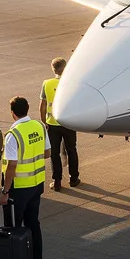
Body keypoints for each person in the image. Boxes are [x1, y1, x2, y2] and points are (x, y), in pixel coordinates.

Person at [0, 96, 49, 259]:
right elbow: (48, 153)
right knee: (33, 225)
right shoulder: (39, 126)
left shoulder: (13, 135)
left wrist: (5, 192)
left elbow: (11, 166)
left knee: (13, 229)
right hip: (36, 186)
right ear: (28, 109)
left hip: (18, 190)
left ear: (12, 113)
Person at [39, 58, 79, 190]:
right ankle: (74, 179)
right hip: (68, 123)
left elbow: (42, 106)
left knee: (54, 153)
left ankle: (57, 182)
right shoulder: (72, 83)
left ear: (53, 69)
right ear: (65, 68)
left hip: (52, 124)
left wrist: (44, 122)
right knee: (71, 150)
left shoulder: (47, 84)